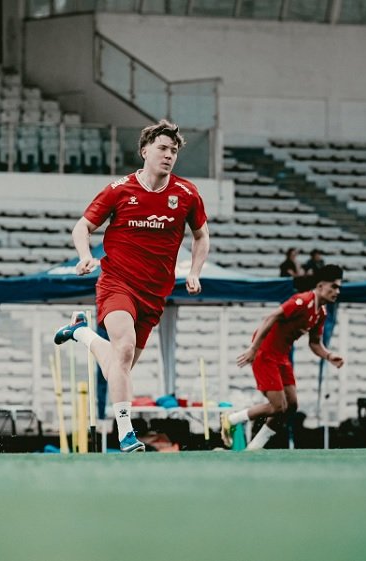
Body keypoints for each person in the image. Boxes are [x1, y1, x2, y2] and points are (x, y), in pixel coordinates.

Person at [53, 119, 210, 453]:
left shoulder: (186, 194)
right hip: (117, 282)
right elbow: (82, 227)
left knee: (117, 367)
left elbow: (201, 236)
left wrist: (194, 272)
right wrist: (83, 255)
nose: (169, 155)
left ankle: (80, 332)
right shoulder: (119, 189)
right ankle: (125, 433)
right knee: (122, 351)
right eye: (163, 148)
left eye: (174, 150)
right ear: (145, 151)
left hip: (155, 294)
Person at [222, 265, 346, 450]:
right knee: (279, 407)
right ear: (320, 286)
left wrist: (329, 355)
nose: (337, 291)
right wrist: (254, 349)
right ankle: (231, 420)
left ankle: (254, 447)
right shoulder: (302, 301)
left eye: (339, 287)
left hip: (281, 357)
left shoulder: (321, 313)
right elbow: (271, 317)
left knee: (292, 406)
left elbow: (314, 343)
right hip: (265, 353)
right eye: (334, 287)